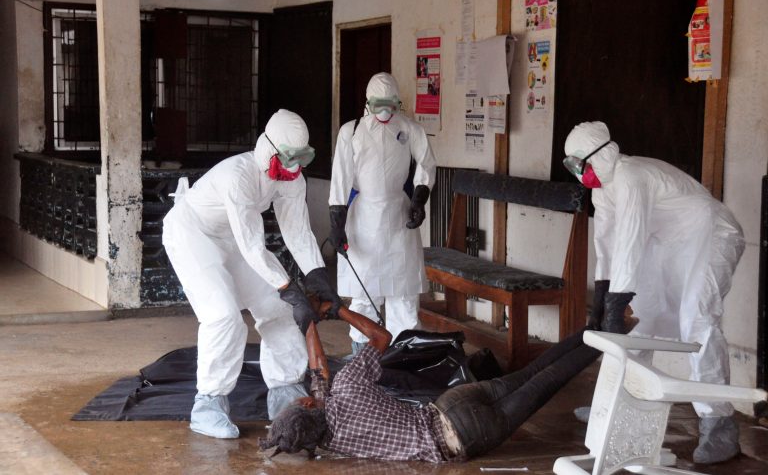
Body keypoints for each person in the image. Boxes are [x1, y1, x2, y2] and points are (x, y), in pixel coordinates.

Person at [563, 121, 745, 464]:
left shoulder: (631, 175)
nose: (579, 173)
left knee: (698, 319)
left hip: (711, 235)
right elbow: (607, 246)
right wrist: (601, 302)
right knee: (641, 320)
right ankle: (622, 398)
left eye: (580, 164)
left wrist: (616, 303)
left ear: (599, 156)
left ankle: (718, 423)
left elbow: (630, 238)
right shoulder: (603, 190)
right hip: (670, 244)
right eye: (572, 166)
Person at [162, 109, 342, 439]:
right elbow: (252, 245)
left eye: (298, 159)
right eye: (288, 158)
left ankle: (284, 389)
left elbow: (297, 230)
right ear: (269, 149)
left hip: (232, 238)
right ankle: (208, 403)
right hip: (193, 234)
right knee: (223, 316)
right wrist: (289, 287)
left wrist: (317, 275)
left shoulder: (291, 175)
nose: (293, 166)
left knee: (280, 310)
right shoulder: (239, 175)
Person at [259, 302, 605, 462]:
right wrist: (335, 312)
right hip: (449, 404)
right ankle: (596, 327)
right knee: (531, 374)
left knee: (546, 384)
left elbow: (319, 379)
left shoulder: (332, 446)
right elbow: (380, 337)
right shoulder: (349, 386)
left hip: (462, 438)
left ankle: (606, 335)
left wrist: (308, 326)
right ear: (306, 404)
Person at [328, 72, 437, 352]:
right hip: (363, 217)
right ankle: (362, 359)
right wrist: (336, 225)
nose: (385, 111)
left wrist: (418, 200)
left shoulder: (410, 129)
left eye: (391, 104)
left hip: (399, 215)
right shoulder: (351, 131)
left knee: (404, 293)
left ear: (398, 102)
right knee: (365, 293)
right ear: (368, 102)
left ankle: (404, 360)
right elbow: (340, 179)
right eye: (379, 104)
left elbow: (426, 164)